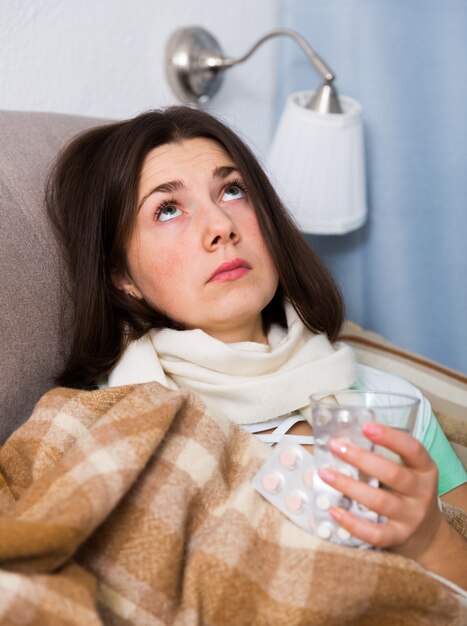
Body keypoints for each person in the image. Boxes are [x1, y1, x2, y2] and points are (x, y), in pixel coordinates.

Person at [46, 105, 467, 589]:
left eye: (232, 190)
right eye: (167, 209)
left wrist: (428, 539)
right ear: (122, 276)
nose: (221, 225)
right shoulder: (103, 420)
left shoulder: (395, 407)